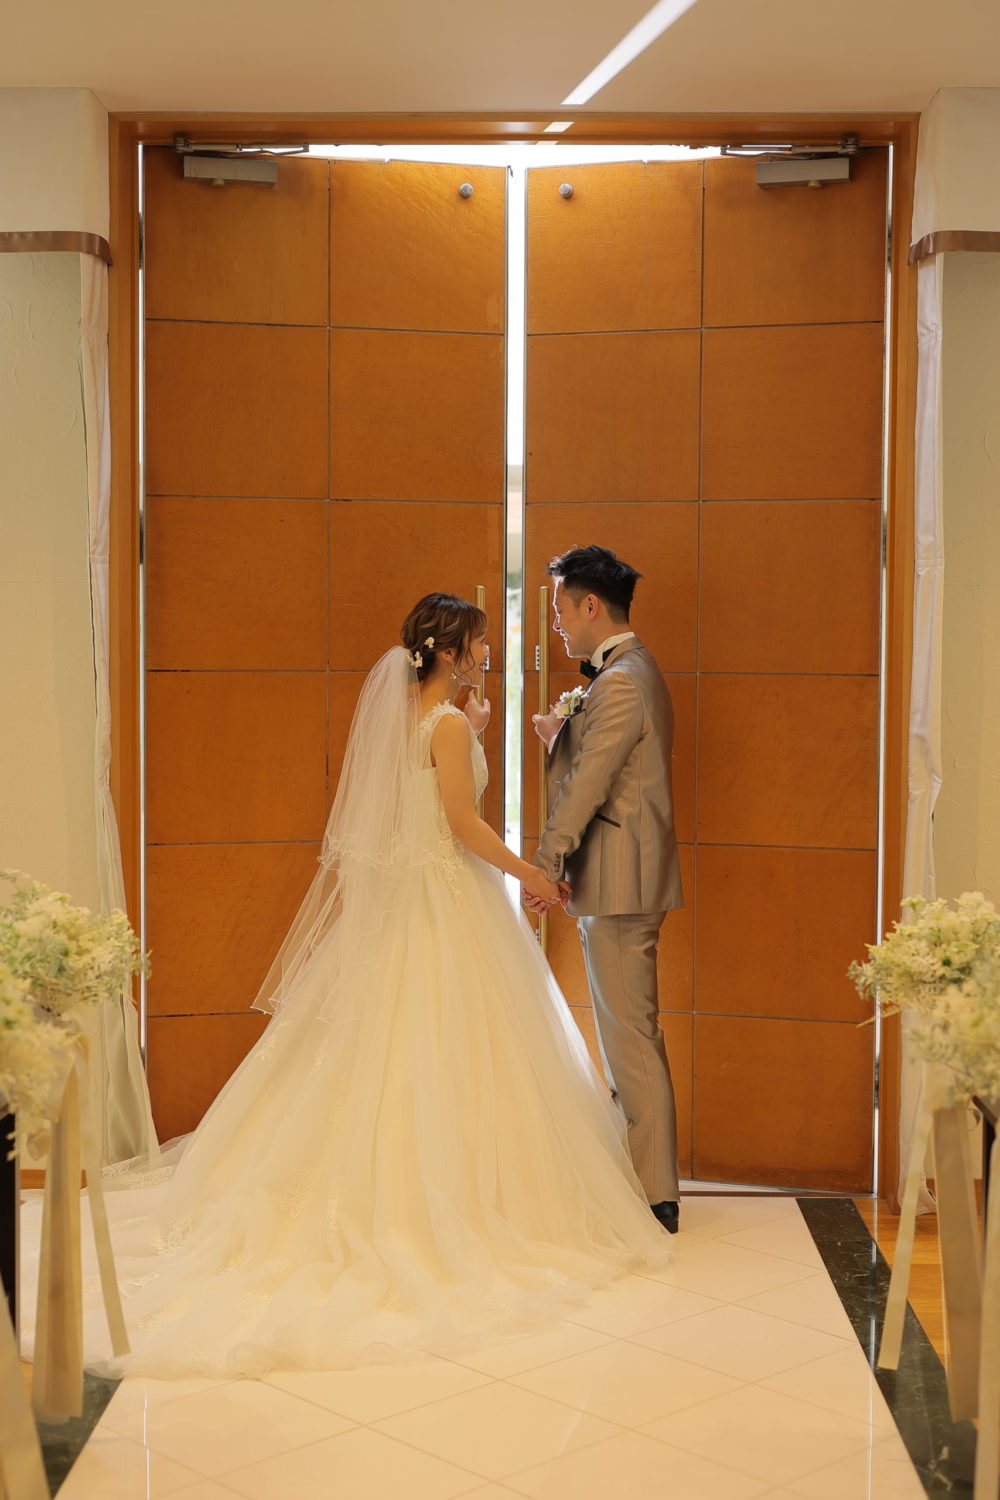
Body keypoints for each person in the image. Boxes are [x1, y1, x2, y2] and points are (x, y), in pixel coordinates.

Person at [20, 592, 669, 1379]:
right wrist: (529, 872)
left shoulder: (411, 718)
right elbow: (461, 825)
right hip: (448, 902)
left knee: (382, 1047)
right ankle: (462, 1207)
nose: (487, 654)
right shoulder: (448, 724)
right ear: (450, 651)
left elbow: (417, 803)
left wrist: (477, 732)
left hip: (409, 901)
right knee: (450, 1046)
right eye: (478, 643)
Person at [527, 547, 684, 1234]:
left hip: (621, 883)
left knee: (631, 1039)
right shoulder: (631, 672)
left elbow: (589, 787)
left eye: (560, 610)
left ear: (591, 605)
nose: (557, 624)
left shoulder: (620, 682)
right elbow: (610, 769)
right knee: (627, 1034)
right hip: (621, 879)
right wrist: (561, 734)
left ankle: (656, 1198)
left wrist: (544, 865)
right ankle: (644, 1181)